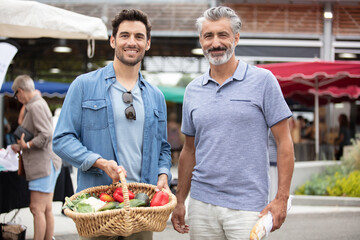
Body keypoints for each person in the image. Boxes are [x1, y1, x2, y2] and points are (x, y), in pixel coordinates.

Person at [171, 6, 294, 240]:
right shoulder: (192, 90)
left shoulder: (263, 81)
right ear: (201, 40)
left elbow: (284, 142)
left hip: (248, 206)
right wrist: (180, 201)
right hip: (201, 204)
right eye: (208, 36)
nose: (215, 42)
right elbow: (189, 149)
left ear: (236, 38)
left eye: (223, 35)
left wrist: (281, 198)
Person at [53, 8, 171, 240]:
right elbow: (61, 140)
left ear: (147, 44)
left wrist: (164, 174)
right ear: (113, 40)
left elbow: (163, 149)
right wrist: (99, 162)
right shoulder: (84, 85)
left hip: (141, 207)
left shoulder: (156, 96)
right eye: (125, 35)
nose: (131, 42)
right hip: (99, 206)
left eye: (139, 37)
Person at [11, 74, 62, 240]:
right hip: (48, 162)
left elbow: (46, 134)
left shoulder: (34, 106)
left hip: (42, 164)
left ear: (20, 91)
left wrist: (27, 145)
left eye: (16, 95)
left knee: (36, 208)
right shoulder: (38, 103)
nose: (17, 98)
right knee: (45, 208)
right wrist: (21, 146)